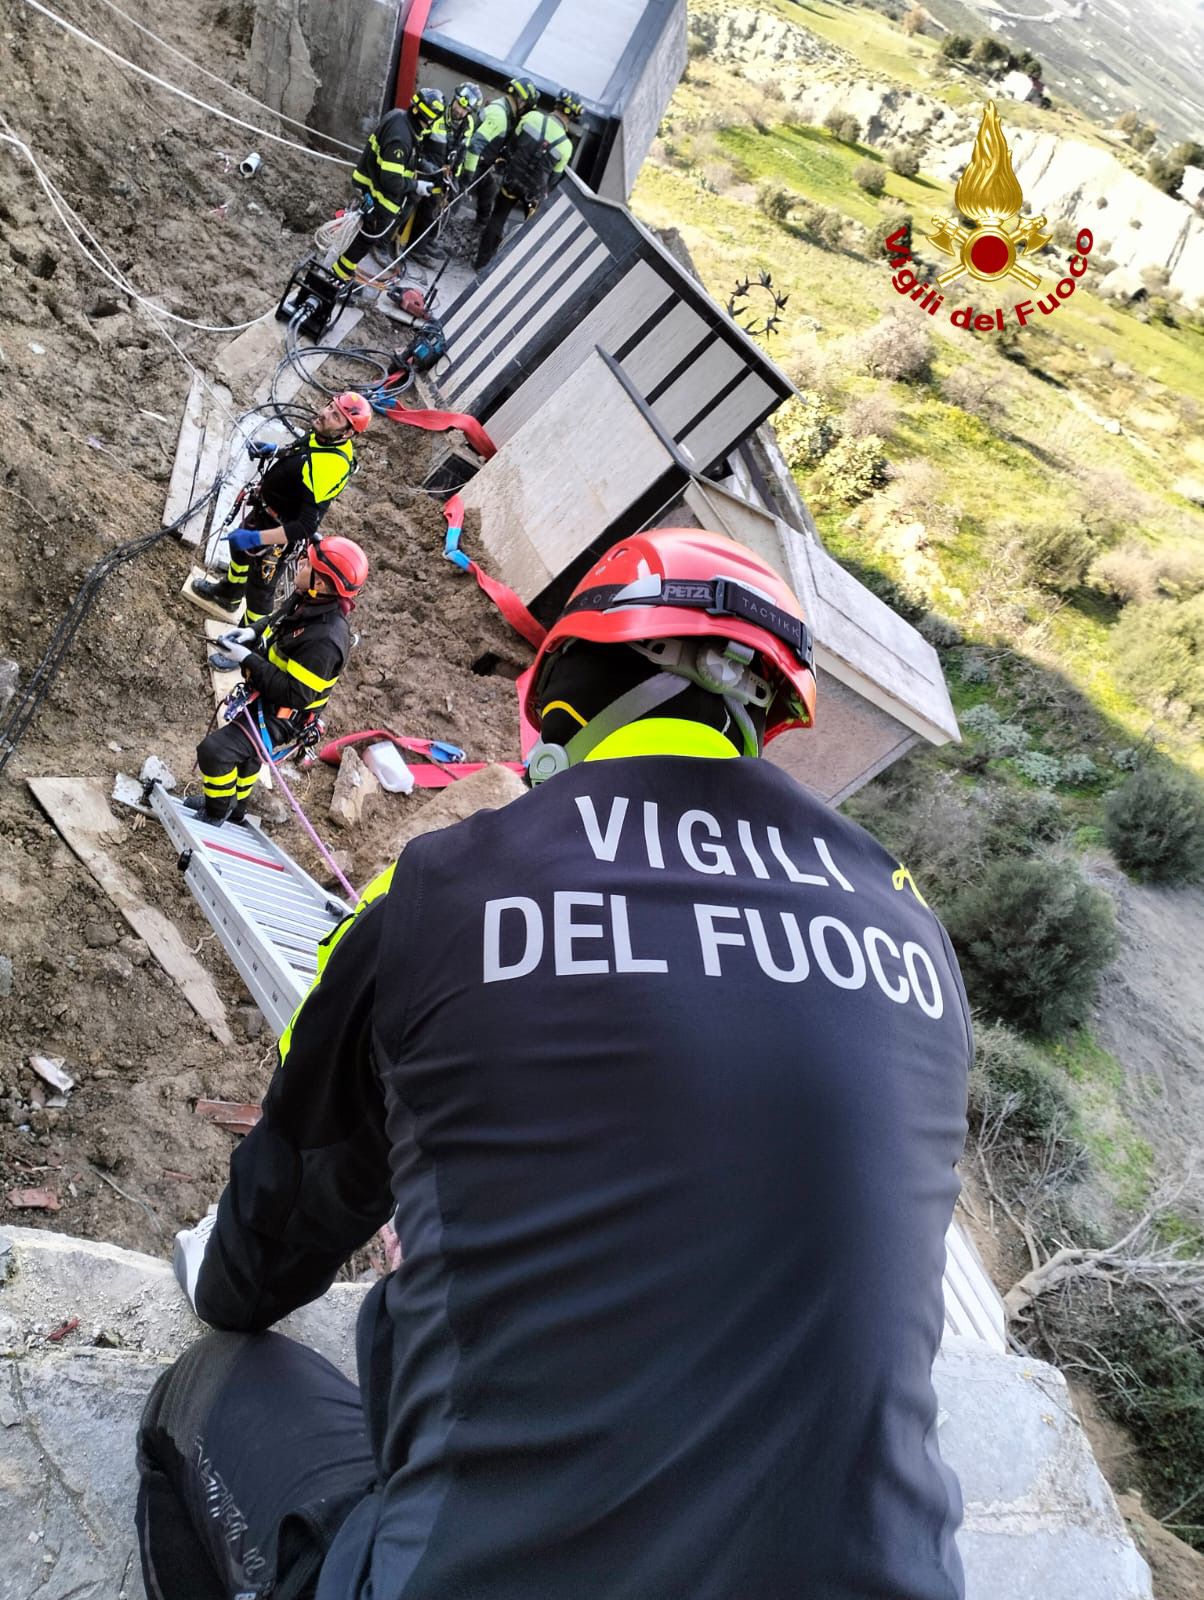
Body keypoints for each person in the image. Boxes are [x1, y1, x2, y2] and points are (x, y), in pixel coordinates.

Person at [141, 527, 971, 1599]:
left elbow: (284, 1214)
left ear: (570, 689)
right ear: (765, 717)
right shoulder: (914, 936)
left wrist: (235, 1294)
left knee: (215, 1385)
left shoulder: (441, 888)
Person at [184, 536, 367, 826]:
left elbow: (293, 694)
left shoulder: (325, 641)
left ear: (320, 582)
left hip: (284, 714)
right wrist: (252, 633)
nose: (301, 562)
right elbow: (277, 620)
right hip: (271, 697)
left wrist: (247, 659)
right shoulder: (308, 599)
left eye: (309, 563)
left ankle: (216, 812)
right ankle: (237, 810)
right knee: (247, 756)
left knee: (215, 752)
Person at [193, 393, 370, 623]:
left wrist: (257, 538)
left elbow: (305, 526)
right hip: (265, 512)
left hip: (279, 536)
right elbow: (304, 456)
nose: (324, 413)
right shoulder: (325, 436)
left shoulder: (329, 467)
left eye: (335, 415)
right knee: (239, 552)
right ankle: (229, 594)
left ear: (347, 433)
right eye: (329, 406)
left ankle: (247, 640)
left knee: (260, 593)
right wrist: (276, 451)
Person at [332, 88, 445, 284]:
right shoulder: (401, 138)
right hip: (379, 195)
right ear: (424, 116)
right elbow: (391, 180)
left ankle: (342, 270)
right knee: (366, 237)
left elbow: (408, 159)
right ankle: (338, 275)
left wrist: (430, 169)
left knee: (362, 236)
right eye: (431, 121)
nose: (431, 125)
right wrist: (416, 185)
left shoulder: (401, 119)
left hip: (371, 185)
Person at [474, 88, 579, 272]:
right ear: (572, 117)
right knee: (528, 231)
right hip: (534, 193)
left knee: (498, 217)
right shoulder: (566, 146)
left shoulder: (532, 117)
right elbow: (553, 180)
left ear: (556, 105)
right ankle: (510, 270)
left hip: (511, 180)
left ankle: (481, 264)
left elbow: (511, 144)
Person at [408, 81, 484, 269]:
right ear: (455, 99)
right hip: (424, 169)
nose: (460, 111)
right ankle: (401, 246)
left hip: (444, 175)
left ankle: (421, 245)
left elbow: (461, 152)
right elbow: (418, 141)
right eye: (459, 105)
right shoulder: (438, 114)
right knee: (415, 206)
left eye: (465, 109)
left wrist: (457, 178)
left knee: (438, 209)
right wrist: (425, 165)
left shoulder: (468, 124)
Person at [460, 75, 538, 228]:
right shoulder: (500, 117)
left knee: (488, 190)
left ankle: (479, 227)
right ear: (521, 101)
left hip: (480, 164)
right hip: (471, 163)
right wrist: (467, 176)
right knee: (453, 201)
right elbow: (475, 145)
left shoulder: (501, 107)